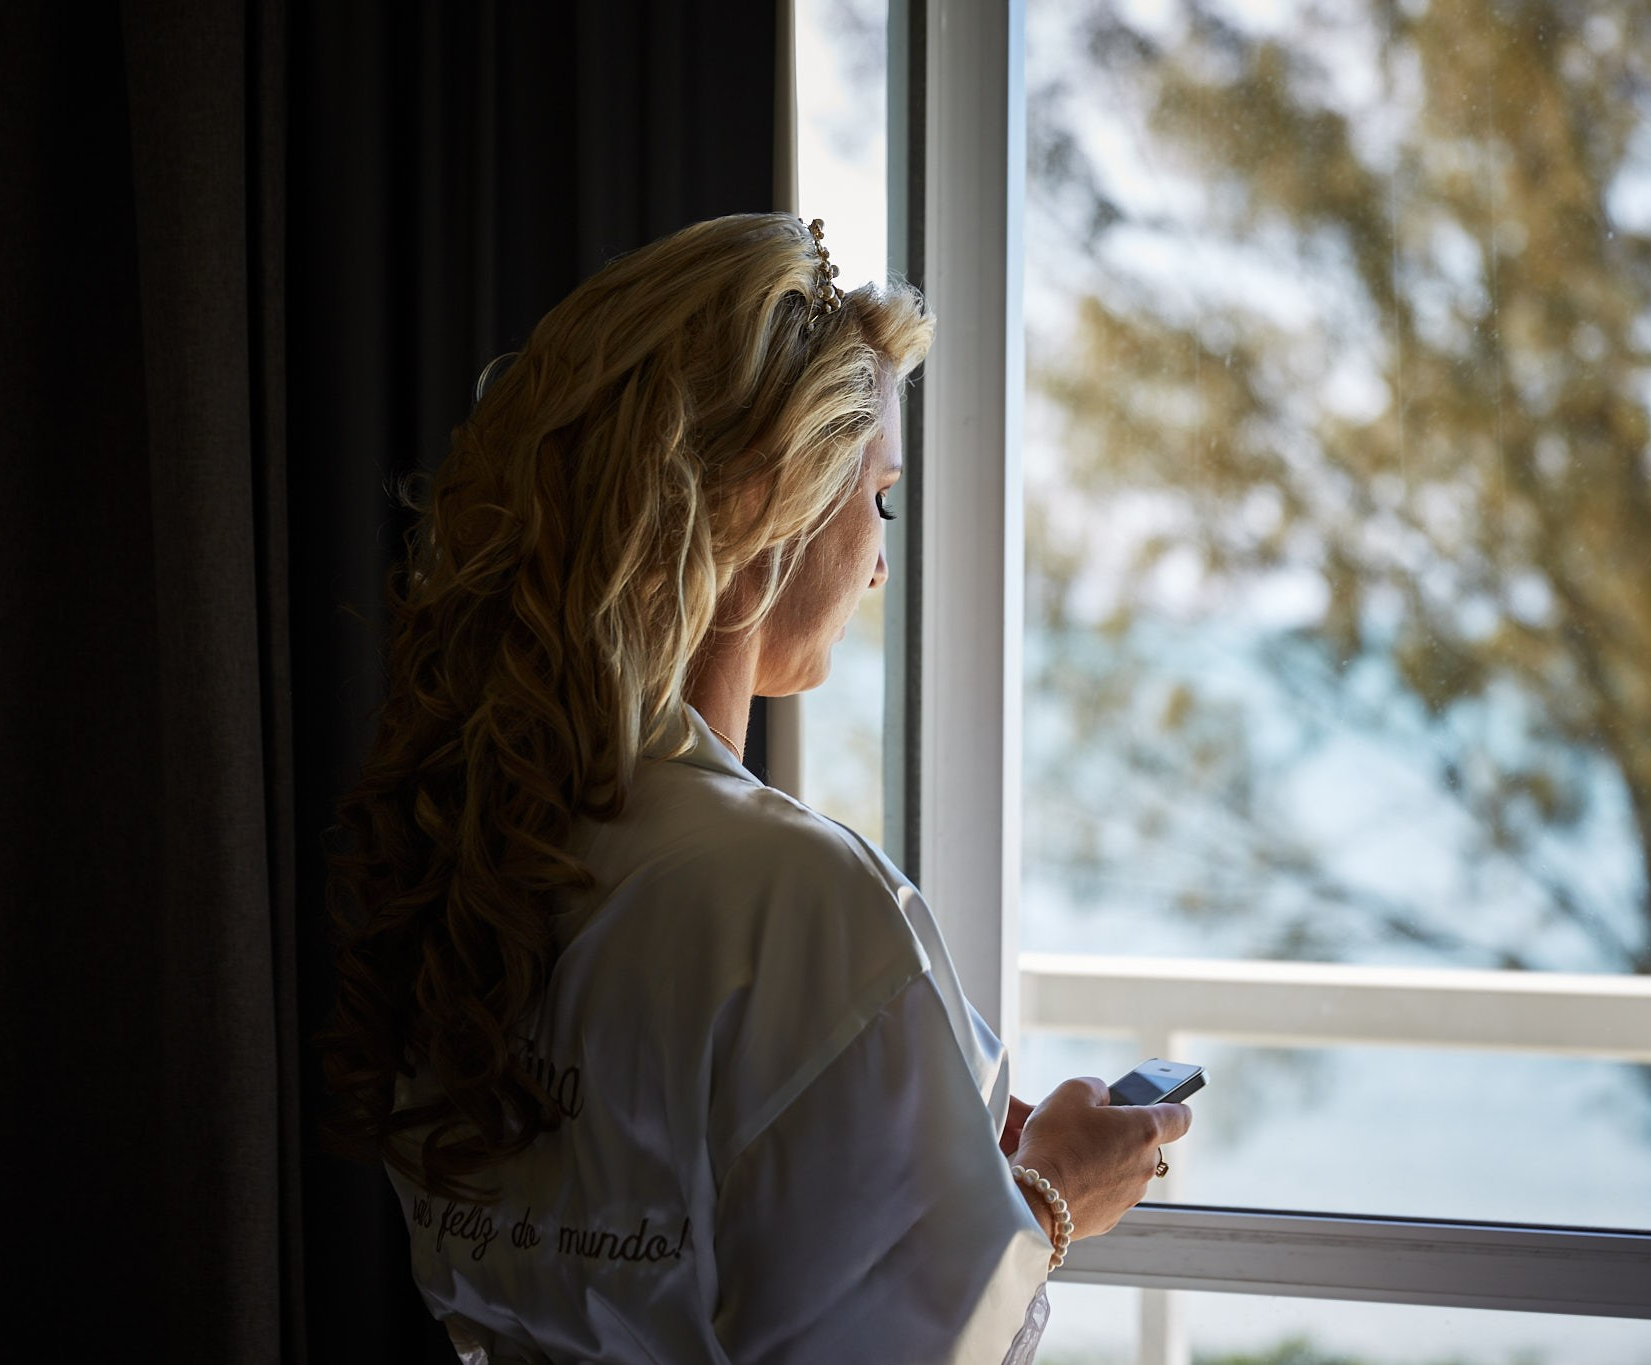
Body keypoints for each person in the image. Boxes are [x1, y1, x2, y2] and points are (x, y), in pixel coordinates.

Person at [320, 212, 1192, 1364]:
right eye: (876, 497)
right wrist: (1050, 1196)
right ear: (760, 500)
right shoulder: (798, 901)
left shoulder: (476, 834)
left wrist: (913, 1143)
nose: (881, 563)